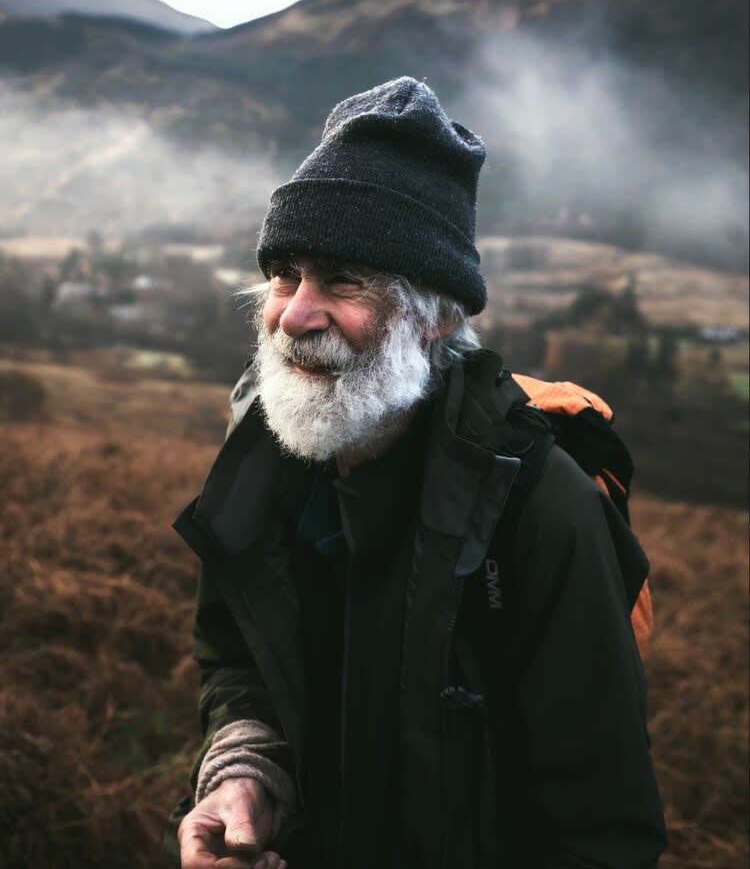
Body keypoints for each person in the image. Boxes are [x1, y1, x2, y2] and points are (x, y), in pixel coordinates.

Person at [166, 76, 667, 869]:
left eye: (344, 281)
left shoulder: (538, 506)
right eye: (286, 274)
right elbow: (238, 655)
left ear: (435, 316)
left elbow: (600, 828)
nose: (295, 313)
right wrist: (247, 771)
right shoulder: (270, 458)